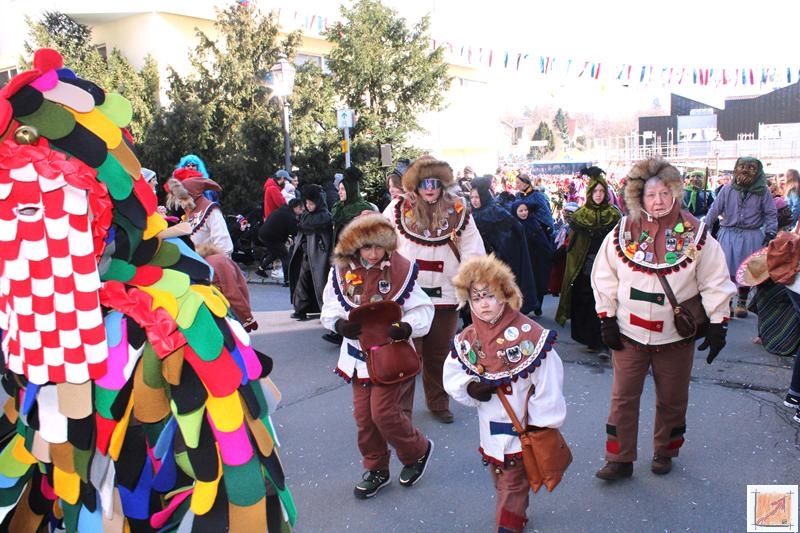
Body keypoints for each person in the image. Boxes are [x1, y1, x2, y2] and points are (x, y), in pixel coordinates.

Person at [591, 157, 736, 480]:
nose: (657, 201)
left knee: (672, 399)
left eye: (664, 193)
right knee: (622, 398)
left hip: (675, 337)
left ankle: (665, 451)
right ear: (639, 197)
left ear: (675, 193)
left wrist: (718, 323)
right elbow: (604, 276)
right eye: (650, 195)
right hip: (628, 333)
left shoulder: (696, 235)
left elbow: (714, 280)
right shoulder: (622, 231)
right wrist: (607, 317)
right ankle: (619, 458)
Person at [443, 255, 566, 533]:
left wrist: (541, 423)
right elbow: (452, 373)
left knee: (512, 484)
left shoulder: (530, 335)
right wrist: (470, 387)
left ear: (505, 295)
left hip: (523, 432)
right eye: (476, 298)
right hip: (490, 431)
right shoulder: (469, 338)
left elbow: (549, 381)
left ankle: (508, 524)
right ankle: (516, 513)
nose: (484, 304)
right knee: (500, 479)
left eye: (490, 296)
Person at [320, 213, 435, 499]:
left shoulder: (401, 270)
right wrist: (338, 325)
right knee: (364, 418)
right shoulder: (341, 271)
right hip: (358, 359)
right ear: (356, 245)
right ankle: (377, 469)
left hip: (389, 357)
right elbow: (330, 307)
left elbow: (423, 309)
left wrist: (406, 327)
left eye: (379, 247)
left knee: (383, 413)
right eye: (367, 247)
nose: (373, 253)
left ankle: (417, 451)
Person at [384, 155, 485, 423]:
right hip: (408, 297)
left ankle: (438, 402)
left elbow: (472, 251)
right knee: (406, 355)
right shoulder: (397, 209)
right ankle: (401, 410)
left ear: (443, 184)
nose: (429, 189)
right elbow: (381, 242)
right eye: (424, 183)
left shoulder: (459, 209)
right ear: (414, 184)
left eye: (435, 183)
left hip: (446, 294)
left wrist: (471, 285)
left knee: (438, 354)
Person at [555, 167, 621, 356]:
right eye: (595, 191)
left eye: (601, 191)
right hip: (585, 266)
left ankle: (603, 341)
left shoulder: (614, 215)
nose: (598, 195)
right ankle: (591, 339)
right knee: (587, 302)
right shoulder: (580, 215)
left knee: (608, 300)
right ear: (589, 193)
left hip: (609, 266)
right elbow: (574, 246)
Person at [704, 157, 778, 317]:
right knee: (725, 270)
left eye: (751, 168)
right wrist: (703, 229)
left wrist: (771, 232)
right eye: (742, 166)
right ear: (735, 169)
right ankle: (728, 302)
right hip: (728, 234)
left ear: (758, 172)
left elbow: (771, 213)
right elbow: (714, 209)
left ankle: (742, 302)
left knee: (747, 270)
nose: (745, 170)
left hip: (752, 236)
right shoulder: (727, 189)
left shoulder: (763, 192)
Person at [469, 175, 538, 315]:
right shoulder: (472, 214)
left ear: (484, 196)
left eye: (477, 197)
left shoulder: (495, 211)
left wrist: (499, 247)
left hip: (498, 260)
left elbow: (514, 230)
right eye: (472, 197)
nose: (474, 200)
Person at [288, 184, 333, 320]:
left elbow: (326, 239)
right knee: (302, 280)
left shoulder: (324, 216)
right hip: (307, 254)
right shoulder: (306, 216)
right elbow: (302, 234)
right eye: (306, 203)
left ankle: (326, 310)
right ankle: (301, 308)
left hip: (320, 255)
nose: (308, 206)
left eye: (311, 203)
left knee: (321, 282)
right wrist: (302, 246)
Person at [195, 243, 259, 332]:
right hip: (224, 312)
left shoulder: (202, 262)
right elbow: (233, 292)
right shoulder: (221, 261)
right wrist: (247, 317)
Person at [165, 175, 234, 256]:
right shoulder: (188, 215)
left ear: (192, 196)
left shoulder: (212, 211)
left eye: (183, 198)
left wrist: (216, 261)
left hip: (211, 262)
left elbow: (224, 246)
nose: (181, 203)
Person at [515, 172, 555, 300]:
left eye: (518, 183)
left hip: (537, 236)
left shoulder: (538, 196)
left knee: (539, 270)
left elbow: (546, 215)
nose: (516, 185)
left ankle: (539, 300)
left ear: (525, 182)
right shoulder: (518, 196)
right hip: (523, 237)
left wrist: (535, 225)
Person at [256, 198, 302, 283]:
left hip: (264, 233)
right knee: (285, 256)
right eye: (301, 209)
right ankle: (287, 280)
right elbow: (294, 231)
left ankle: (260, 269)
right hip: (271, 237)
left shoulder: (283, 210)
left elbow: (279, 226)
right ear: (296, 207)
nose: (301, 212)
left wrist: (287, 237)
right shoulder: (290, 217)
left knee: (275, 253)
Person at [332, 166, 377, 242]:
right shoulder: (338, 208)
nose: (339, 192)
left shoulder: (363, 208)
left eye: (343, 189)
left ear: (350, 190)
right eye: (339, 189)